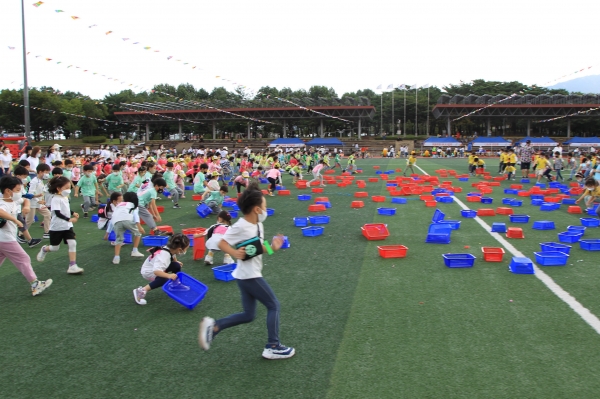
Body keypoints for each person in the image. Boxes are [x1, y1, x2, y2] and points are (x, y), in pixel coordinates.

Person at [199, 183, 295, 360]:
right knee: (274, 305)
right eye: (265, 206)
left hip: (246, 274)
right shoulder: (241, 226)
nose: (266, 209)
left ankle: (214, 328)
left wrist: (273, 247)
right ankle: (273, 346)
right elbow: (220, 242)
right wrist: (234, 252)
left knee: (249, 315)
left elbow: (254, 248)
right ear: (257, 209)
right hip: (250, 276)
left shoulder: (257, 224)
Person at [0, 176, 52, 296]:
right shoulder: (2, 203)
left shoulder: (13, 200)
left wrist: (27, 206)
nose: (20, 192)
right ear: (8, 191)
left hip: (4, 239)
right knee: (24, 259)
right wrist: (15, 220)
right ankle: (35, 285)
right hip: (5, 239)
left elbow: (25, 200)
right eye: (18, 190)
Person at [36, 176, 84, 275]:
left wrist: (73, 212)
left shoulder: (64, 197)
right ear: (58, 188)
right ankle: (45, 249)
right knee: (55, 248)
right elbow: (57, 213)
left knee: (72, 243)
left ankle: (72, 265)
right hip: (57, 227)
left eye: (69, 187)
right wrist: (69, 219)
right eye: (66, 187)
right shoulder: (56, 199)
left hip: (67, 226)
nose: (68, 190)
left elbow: (65, 209)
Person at [132, 234, 191, 306]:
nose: (185, 251)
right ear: (179, 249)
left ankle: (176, 285)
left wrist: (176, 262)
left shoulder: (170, 249)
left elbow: (173, 255)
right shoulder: (164, 256)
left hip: (156, 267)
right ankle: (141, 291)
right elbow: (156, 271)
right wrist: (168, 275)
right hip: (149, 272)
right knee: (164, 279)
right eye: (186, 249)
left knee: (176, 265)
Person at [111, 192, 145, 264]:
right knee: (138, 233)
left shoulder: (119, 204)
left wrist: (108, 232)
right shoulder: (133, 205)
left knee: (118, 239)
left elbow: (114, 216)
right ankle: (135, 251)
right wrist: (139, 226)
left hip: (116, 221)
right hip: (127, 219)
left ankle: (116, 258)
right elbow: (135, 215)